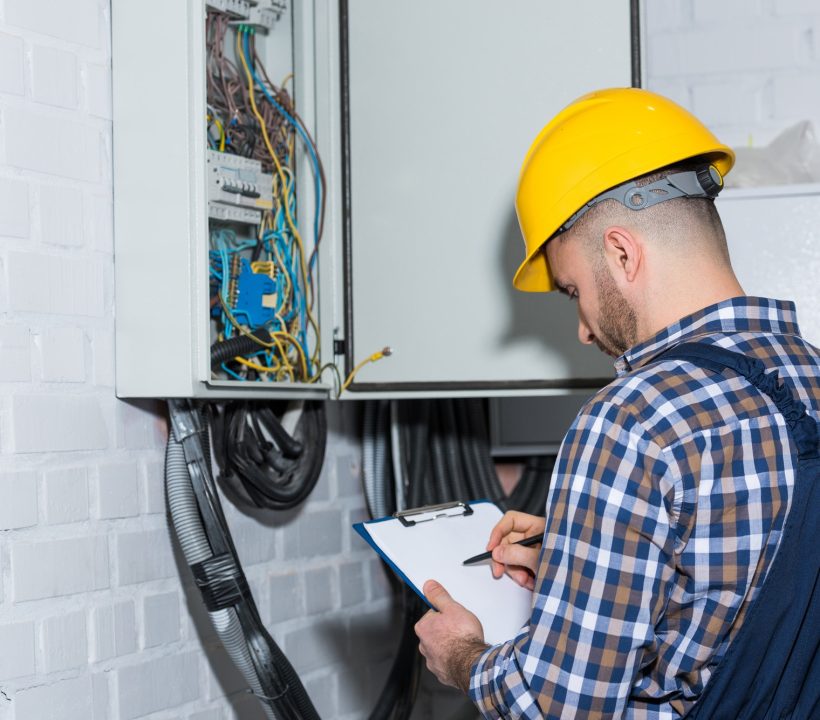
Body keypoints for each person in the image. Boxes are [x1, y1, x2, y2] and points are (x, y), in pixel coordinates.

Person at [414, 87, 820, 718]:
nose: (582, 329)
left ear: (623, 253)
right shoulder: (810, 375)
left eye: (573, 289)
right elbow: (756, 570)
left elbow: (558, 708)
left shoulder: (632, 420)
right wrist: (583, 551)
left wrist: (464, 659)